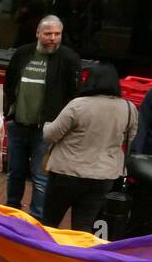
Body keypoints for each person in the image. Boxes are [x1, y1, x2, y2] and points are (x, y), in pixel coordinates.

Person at [40, 62, 138, 234]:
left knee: (49, 222)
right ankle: (78, 259)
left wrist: (47, 124)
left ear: (91, 81)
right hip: (104, 176)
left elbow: (50, 135)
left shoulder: (78, 105)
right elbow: (131, 137)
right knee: (84, 226)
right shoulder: (129, 108)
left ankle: (41, 257)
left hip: (67, 172)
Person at [3, 15, 80, 219]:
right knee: (14, 173)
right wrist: (8, 113)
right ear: (38, 33)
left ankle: (37, 219)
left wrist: (60, 125)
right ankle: (11, 212)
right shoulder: (22, 53)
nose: (53, 38)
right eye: (48, 34)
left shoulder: (68, 58)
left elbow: (73, 95)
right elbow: (9, 82)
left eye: (57, 34)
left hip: (46, 130)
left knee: (40, 177)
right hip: (18, 124)